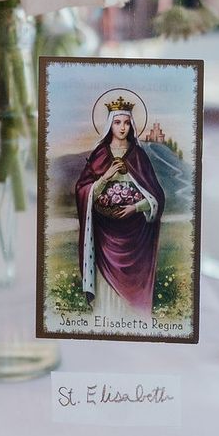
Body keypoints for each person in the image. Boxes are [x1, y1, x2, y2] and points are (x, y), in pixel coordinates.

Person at [75, 92, 164, 326]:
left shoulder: (138, 155)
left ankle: (134, 322)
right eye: (117, 122)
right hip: (106, 232)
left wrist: (135, 207)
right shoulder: (101, 154)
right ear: (110, 125)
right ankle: (106, 321)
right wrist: (105, 177)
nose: (122, 128)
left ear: (132, 125)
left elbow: (157, 196)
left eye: (126, 123)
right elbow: (83, 189)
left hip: (135, 234)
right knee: (107, 296)